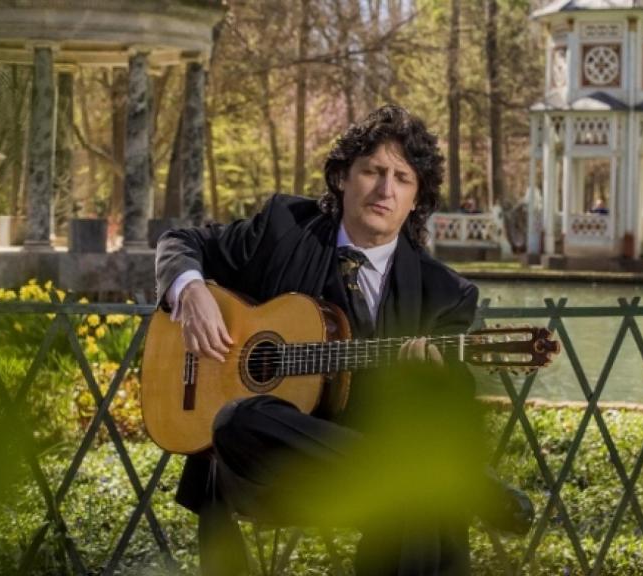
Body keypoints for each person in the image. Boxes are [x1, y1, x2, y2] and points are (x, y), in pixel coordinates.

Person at [155, 104, 532, 575]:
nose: (385, 189)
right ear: (341, 178)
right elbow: (179, 241)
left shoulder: (444, 294)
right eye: (372, 171)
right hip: (267, 469)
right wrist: (190, 291)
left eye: (403, 178)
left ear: (417, 199)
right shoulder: (284, 229)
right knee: (236, 418)